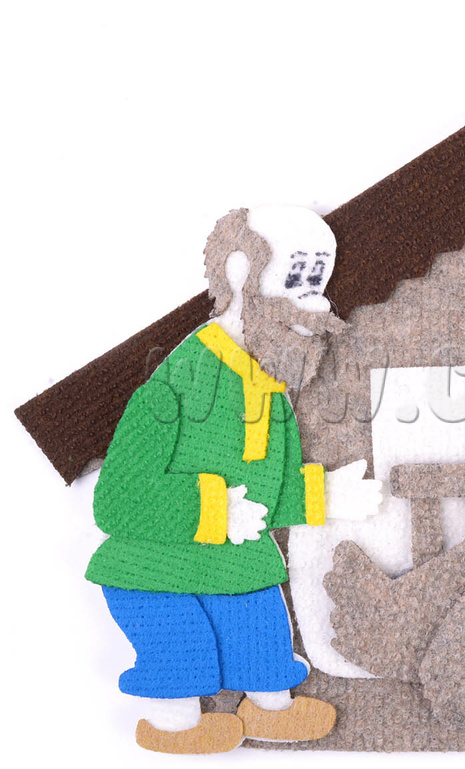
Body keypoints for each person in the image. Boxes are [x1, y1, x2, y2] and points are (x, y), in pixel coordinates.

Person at [86, 206, 383, 753]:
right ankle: (175, 723)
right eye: (299, 279)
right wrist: (214, 509)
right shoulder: (176, 384)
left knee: (264, 633)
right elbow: (117, 501)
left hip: (235, 564)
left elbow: (268, 491)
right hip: (157, 568)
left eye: (319, 283)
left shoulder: (271, 391)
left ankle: (271, 709)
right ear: (243, 272)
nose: (317, 304)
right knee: (182, 649)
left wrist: (320, 494)